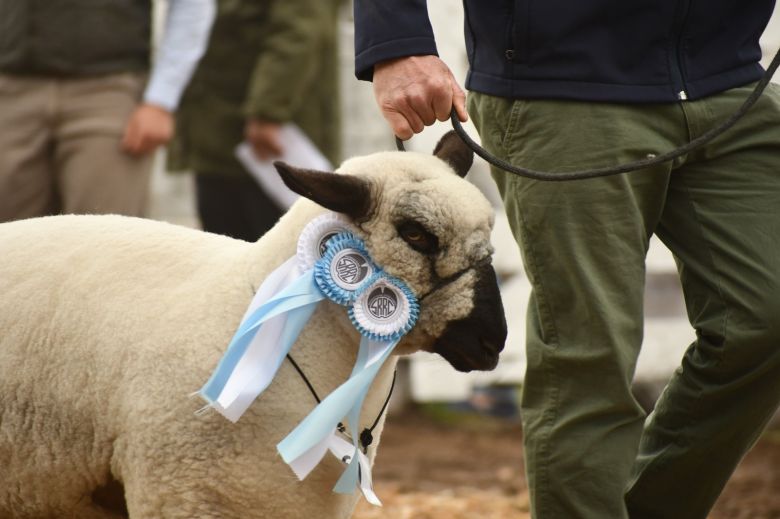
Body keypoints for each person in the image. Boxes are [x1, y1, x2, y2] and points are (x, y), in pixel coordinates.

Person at [354, 2, 780, 518]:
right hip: (562, 87)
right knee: (589, 357)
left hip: (730, 80)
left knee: (766, 322)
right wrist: (394, 41)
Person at [0, 0, 215, 223]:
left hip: (110, 91)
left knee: (104, 234)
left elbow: (191, 5)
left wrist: (161, 100)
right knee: (9, 240)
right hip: (11, 91)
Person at [168, 0, 342, 242]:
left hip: (273, 137)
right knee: (224, 253)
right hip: (215, 132)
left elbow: (298, 32)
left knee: (282, 251)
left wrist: (267, 112)